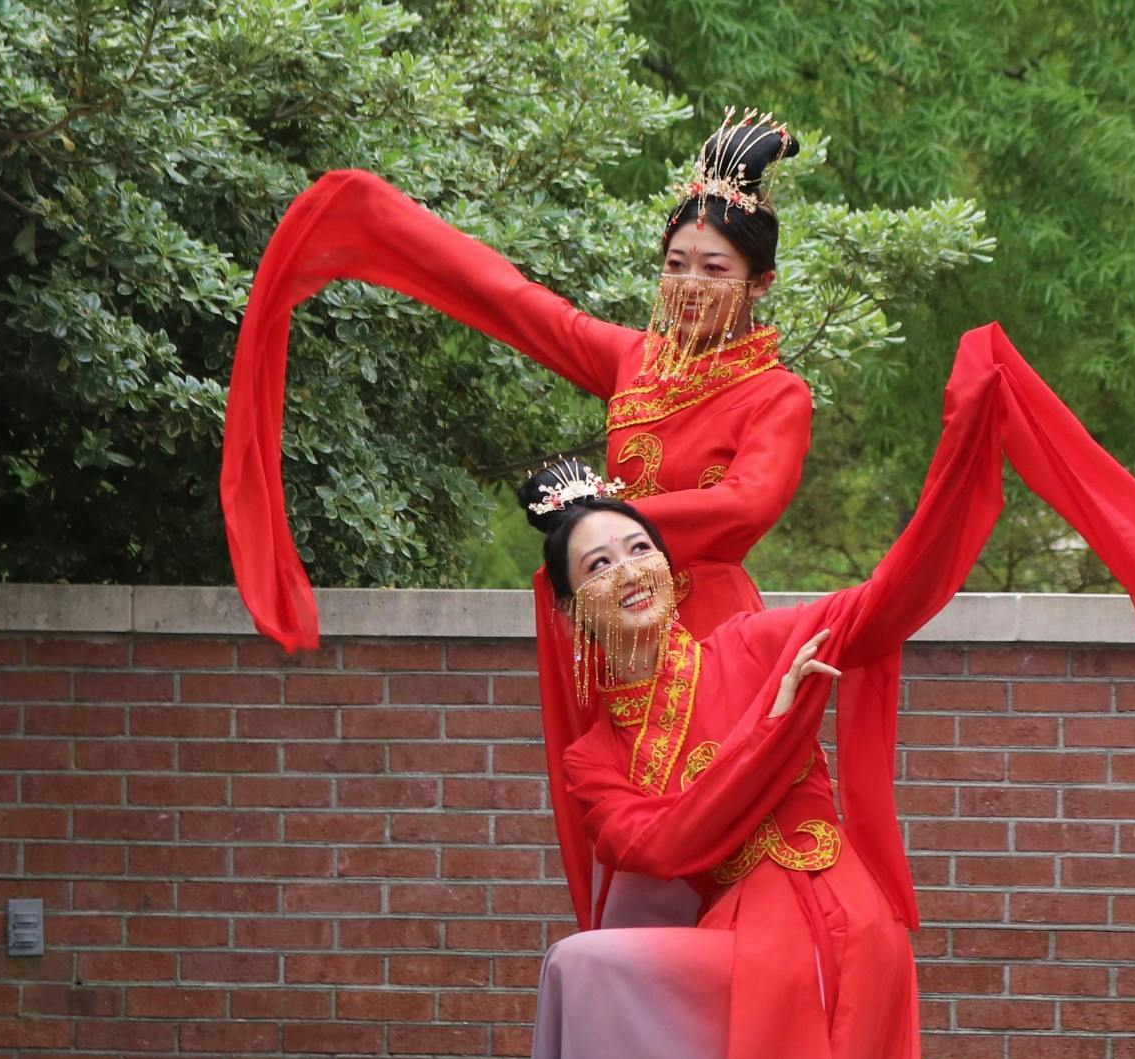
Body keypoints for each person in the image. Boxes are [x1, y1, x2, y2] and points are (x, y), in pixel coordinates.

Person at [515, 324, 1135, 1059]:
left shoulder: (760, 644)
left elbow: (893, 596)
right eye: (597, 566)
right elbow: (664, 848)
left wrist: (967, 446)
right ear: (571, 612)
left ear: (672, 567)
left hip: (827, 915)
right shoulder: (595, 755)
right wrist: (778, 731)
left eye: (639, 548)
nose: (629, 571)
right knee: (583, 966)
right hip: (742, 929)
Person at [221, 111, 817, 926]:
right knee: (642, 865)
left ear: (758, 283)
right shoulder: (630, 361)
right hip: (621, 639)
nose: (688, 283)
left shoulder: (775, 394)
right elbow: (513, 302)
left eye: (714, 268)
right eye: (675, 263)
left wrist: (597, 518)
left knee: (736, 851)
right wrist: (377, 228)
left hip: (716, 638)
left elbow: (745, 506)